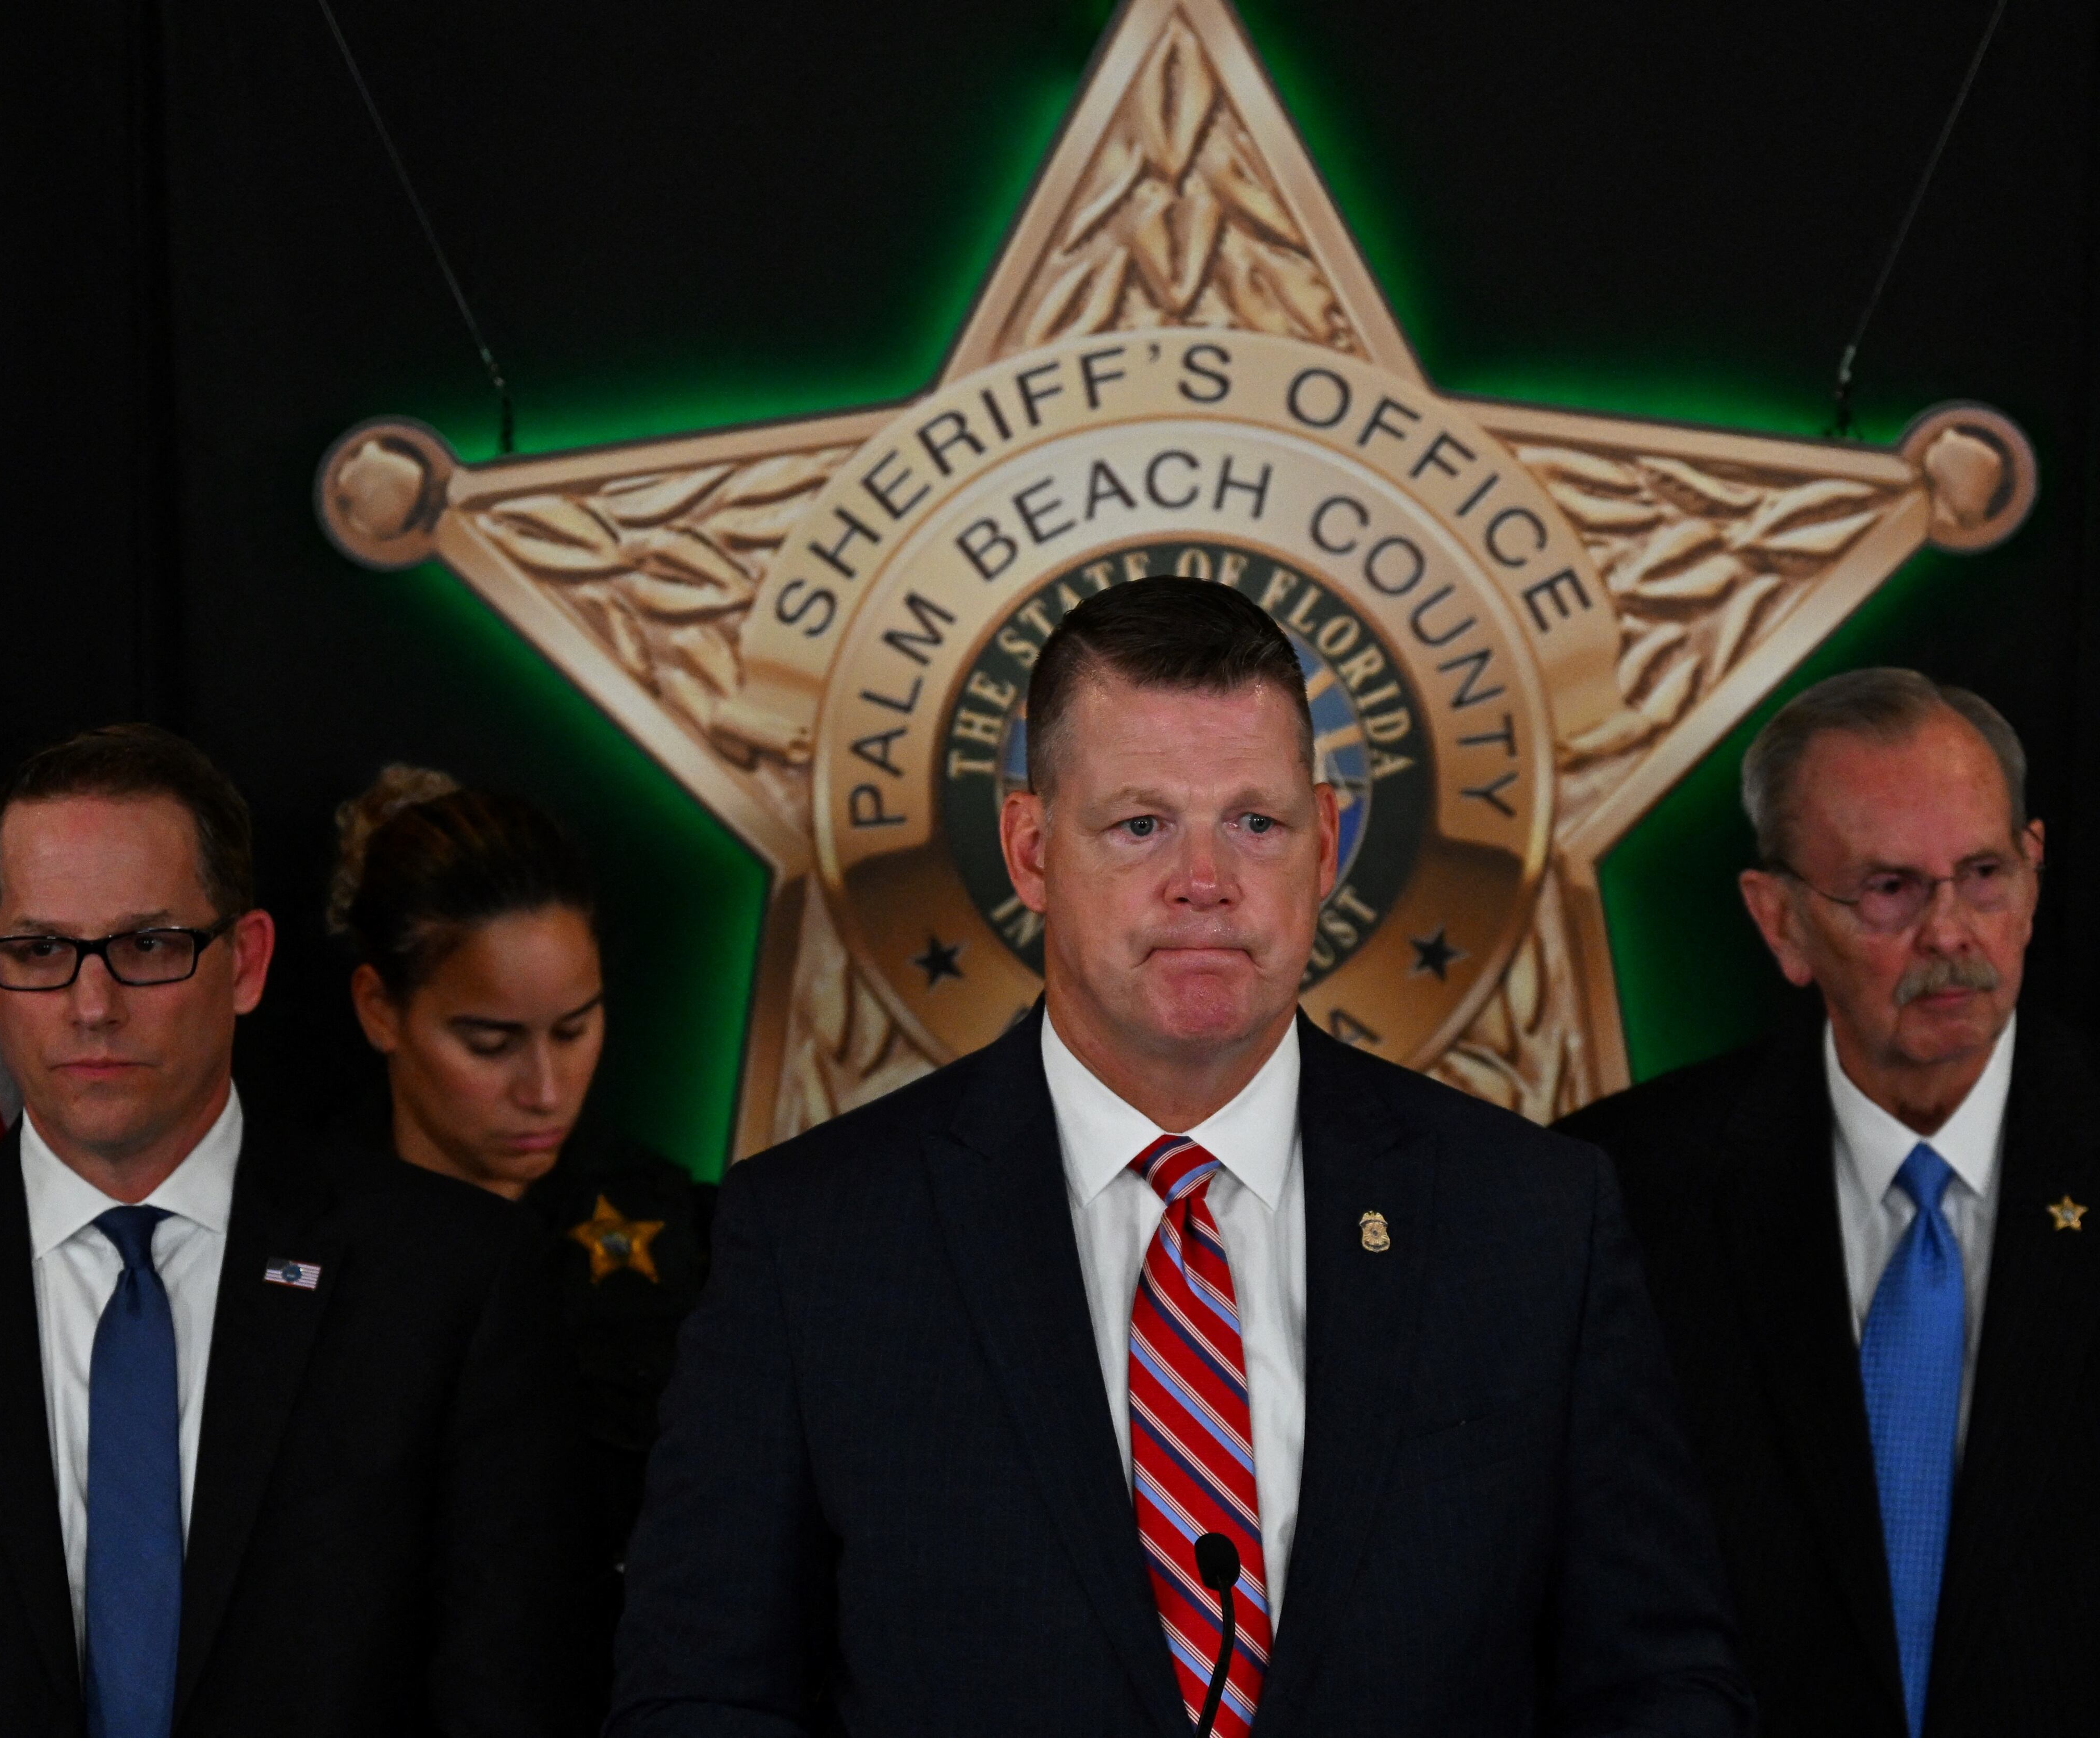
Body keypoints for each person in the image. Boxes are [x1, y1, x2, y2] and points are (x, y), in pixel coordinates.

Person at [611, 577, 1752, 1736]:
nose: (1203, 879)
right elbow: (700, 1693)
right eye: (1140, 823)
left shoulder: (1531, 1218)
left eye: (1254, 822)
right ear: (1030, 846)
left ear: (1326, 842)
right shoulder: (815, 1241)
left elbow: (1657, 1678)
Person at [1558, 669, 2100, 1738]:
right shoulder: (1618, 1191)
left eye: (1982, 874)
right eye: (1888, 887)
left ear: (2032, 871)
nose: (1949, 933)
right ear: (1779, 919)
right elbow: (1588, 1603)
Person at [0, 724, 594, 1738]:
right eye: (42, 949)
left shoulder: (454, 1284)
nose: (93, 1005)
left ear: (247, 962)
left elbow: (513, 1692)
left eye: (147, 945)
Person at [328, 764, 710, 1572]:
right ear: (378, 1010)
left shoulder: (695, 1242)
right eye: (490, 1043)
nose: (544, 1091)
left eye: (574, 1030)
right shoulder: (292, 1244)